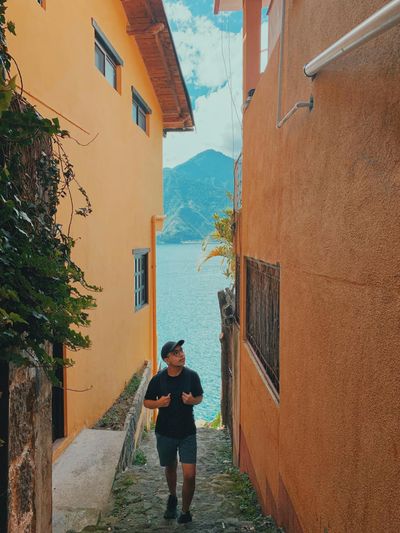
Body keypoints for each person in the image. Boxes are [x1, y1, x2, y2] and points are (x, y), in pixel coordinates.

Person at [143, 339, 203, 524]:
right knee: (170, 467)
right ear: (166, 359)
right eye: (176, 353)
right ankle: (172, 496)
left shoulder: (192, 376)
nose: (181, 355)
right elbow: (146, 402)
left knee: (190, 475)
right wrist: (158, 404)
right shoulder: (158, 379)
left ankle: (185, 512)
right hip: (165, 432)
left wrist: (192, 400)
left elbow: (199, 397)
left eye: (181, 351)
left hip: (187, 433)